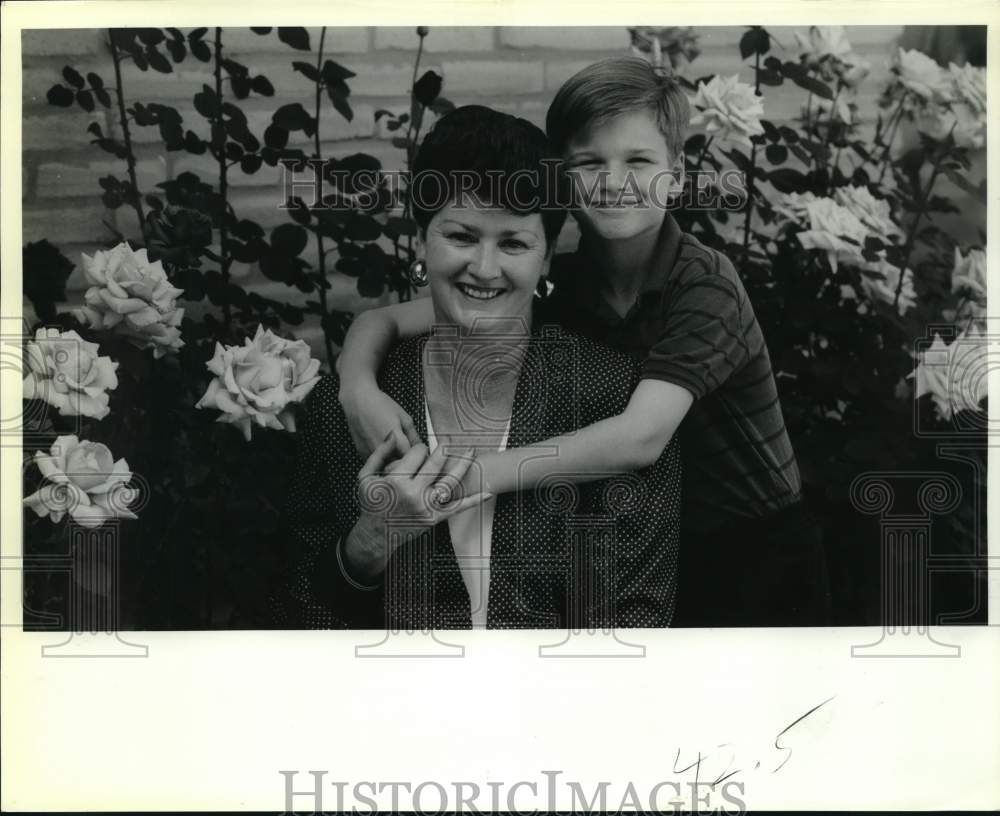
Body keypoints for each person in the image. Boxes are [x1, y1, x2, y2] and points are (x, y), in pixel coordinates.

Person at [335, 58, 832, 627]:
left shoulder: (705, 283)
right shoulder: (566, 280)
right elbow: (390, 321)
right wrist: (355, 384)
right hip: (653, 538)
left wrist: (472, 478)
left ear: (677, 171)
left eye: (639, 161)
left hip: (756, 545)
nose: (614, 182)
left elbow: (639, 439)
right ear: (561, 180)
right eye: (589, 162)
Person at [270, 104, 682, 630]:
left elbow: (636, 622)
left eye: (513, 243)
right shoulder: (344, 408)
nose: (484, 269)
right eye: (461, 236)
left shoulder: (614, 398)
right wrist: (371, 542)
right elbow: (296, 613)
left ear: (548, 257)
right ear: (423, 240)